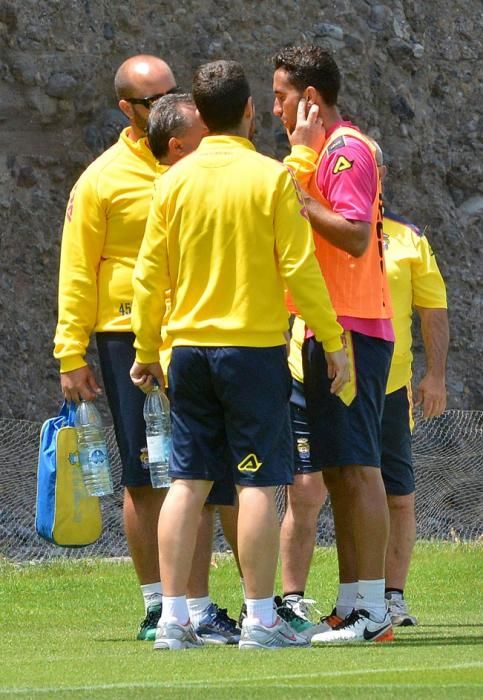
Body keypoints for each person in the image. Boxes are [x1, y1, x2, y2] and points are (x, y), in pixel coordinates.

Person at [130, 59, 349, 651]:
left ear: (199, 114)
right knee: (257, 483)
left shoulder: (170, 181)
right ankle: (261, 618)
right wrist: (331, 340)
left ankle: (173, 619)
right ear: (250, 110)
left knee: (187, 481)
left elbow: (149, 276)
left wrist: (147, 347)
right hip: (251, 350)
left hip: (189, 352)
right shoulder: (271, 178)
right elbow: (300, 269)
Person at [53, 57, 238, 644]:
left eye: (173, 93)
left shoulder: (196, 154)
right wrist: (70, 354)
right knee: (144, 476)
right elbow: (77, 271)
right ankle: (160, 603)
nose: (164, 105)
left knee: (199, 469)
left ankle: (199, 607)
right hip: (125, 335)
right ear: (125, 110)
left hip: (194, 329)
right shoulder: (101, 180)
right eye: (149, 99)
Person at [272, 45, 395, 644]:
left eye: (282, 97)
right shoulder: (322, 153)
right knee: (343, 472)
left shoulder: (344, 152)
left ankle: (374, 609)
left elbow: (350, 236)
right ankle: (353, 605)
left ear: (310, 101)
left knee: (359, 469)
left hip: (353, 327)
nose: (276, 109)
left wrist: (297, 186)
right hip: (330, 327)